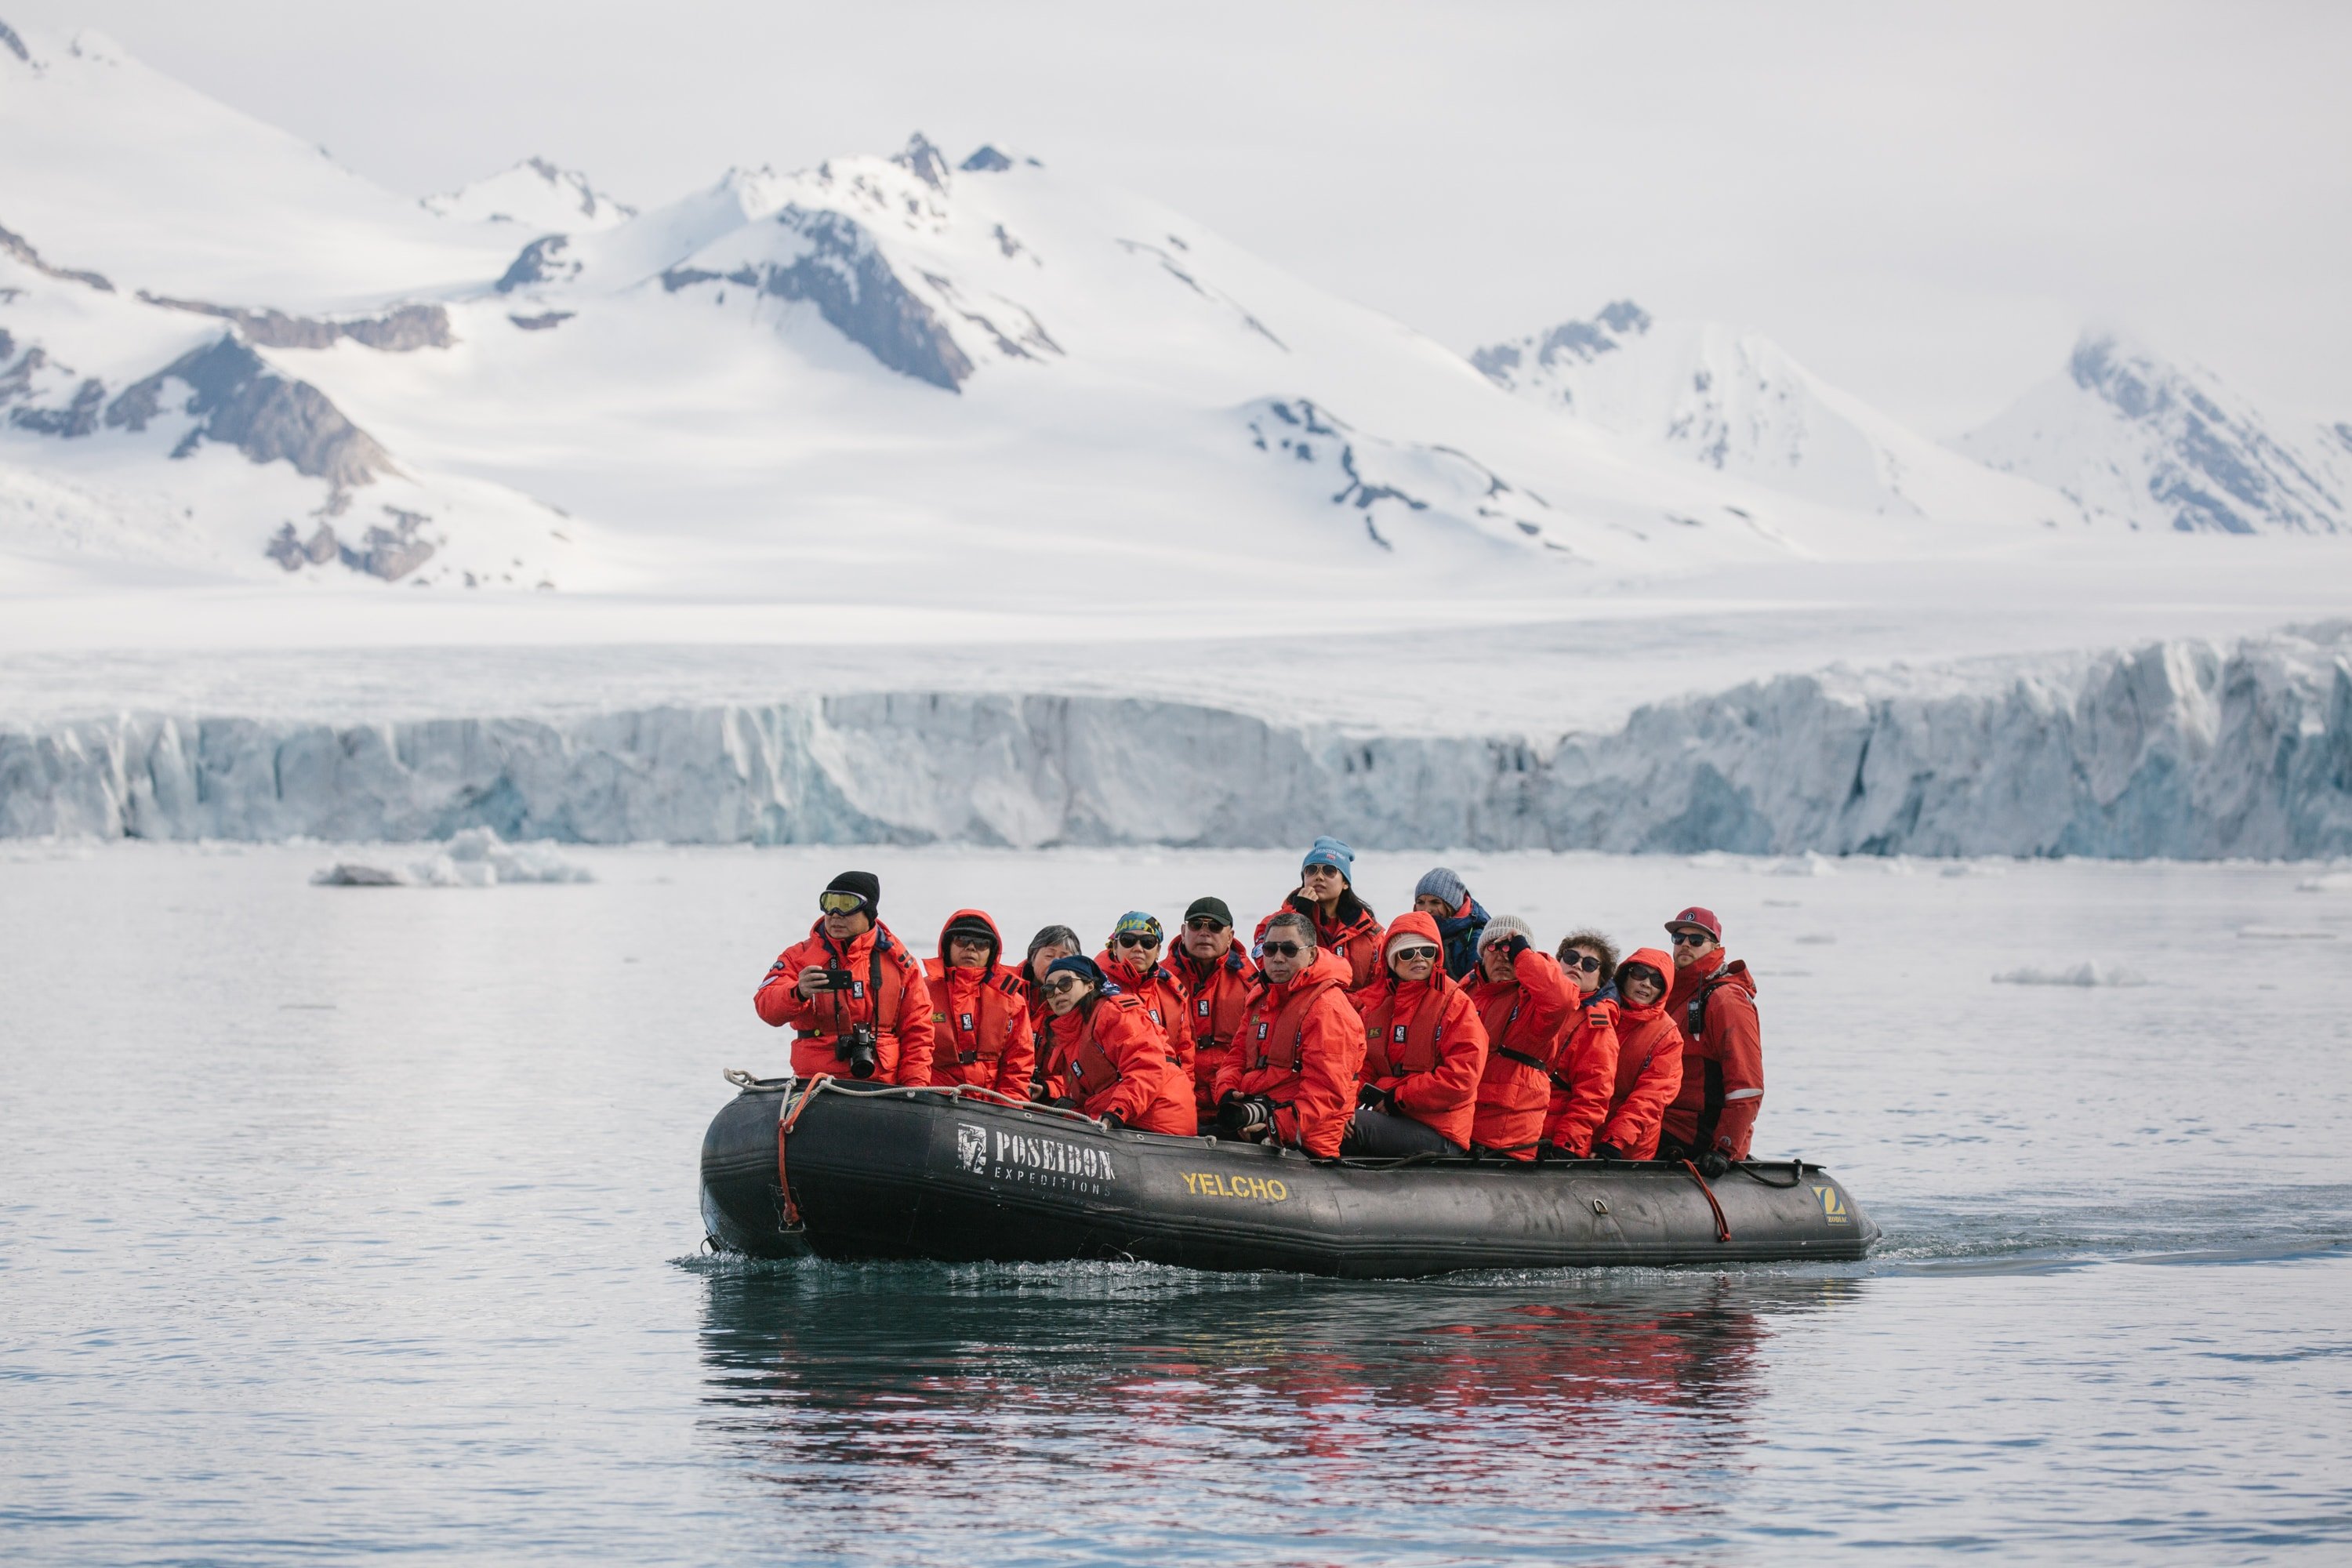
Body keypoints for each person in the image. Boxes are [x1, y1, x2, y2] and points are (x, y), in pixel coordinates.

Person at [753, 870, 935, 1086]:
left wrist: (914, 1091)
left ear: (868, 913)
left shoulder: (900, 964)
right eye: (829, 903)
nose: (835, 914)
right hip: (815, 1084)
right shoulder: (799, 957)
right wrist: (798, 992)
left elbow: (918, 1033)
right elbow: (766, 1007)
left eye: (847, 904)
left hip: (883, 1087)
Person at [1214, 910, 1364, 1158]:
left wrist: (1275, 1127)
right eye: (1270, 950)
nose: (1278, 958)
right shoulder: (1260, 997)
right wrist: (1228, 1093)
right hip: (1256, 1118)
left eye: (1289, 950)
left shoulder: (1328, 1009)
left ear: (1312, 953)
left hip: (1306, 1140)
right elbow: (1236, 1057)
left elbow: (1326, 1092)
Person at [1348, 910, 1486, 1155]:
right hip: (1397, 1119)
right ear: (1392, 960)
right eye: (1408, 953)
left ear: (1436, 956)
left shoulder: (1456, 1004)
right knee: (1334, 1120)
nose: (1418, 958)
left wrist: (1398, 1098)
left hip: (1441, 1130)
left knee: (1352, 1127)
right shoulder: (1377, 1006)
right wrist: (1345, 1105)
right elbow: (1363, 1066)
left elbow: (1461, 1078)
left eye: (1427, 951)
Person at [1034, 956, 1194, 1134]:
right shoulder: (1068, 1036)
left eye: (1065, 983)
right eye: (1048, 988)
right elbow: (1086, 1102)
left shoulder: (1114, 1013)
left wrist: (1118, 1110)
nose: (1056, 992)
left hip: (1155, 1119)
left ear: (1090, 986)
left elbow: (1146, 1067)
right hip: (1119, 1118)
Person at [1659, 906, 1762, 1177]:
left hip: (1698, 1136)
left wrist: (1723, 1148)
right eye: (1678, 939)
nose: (1685, 945)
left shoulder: (1726, 999)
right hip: (1667, 1122)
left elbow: (1746, 1087)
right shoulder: (1671, 993)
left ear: (1716, 946)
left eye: (1696, 940)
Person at [1465, 916, 1578, 1159]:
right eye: (1493, 947)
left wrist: (1524, 954)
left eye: (1510, 949)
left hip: (1507, 1137)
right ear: (1482, 953)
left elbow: (1562, 1000)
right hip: (1463, 1123)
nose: (1503, 955)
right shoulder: (1467, 989)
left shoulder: (1533, 1003)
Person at [920, 909, 1035, 1098]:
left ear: (992, 952)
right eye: (962, 940)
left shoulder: (1013, 1001)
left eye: (981, 943)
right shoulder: (922, 992)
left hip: (991, 1105)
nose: (971, 948)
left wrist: (1006, 1111)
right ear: (947, 945)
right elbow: (912, 1051)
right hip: (934, 1100)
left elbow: (1018, 1065)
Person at [1587, 947, 1682, 1161]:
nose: (1647, 984)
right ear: (1625, 975)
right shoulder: (1599, 1011)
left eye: (1657, 980)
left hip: (1628, 1149)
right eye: (1640, 973)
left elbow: (1650, 1099)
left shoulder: (1669, 1036)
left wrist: (1615, 1140)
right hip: (1581, 1134)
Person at [1169, 896, 1258, 1126]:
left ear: (1230, 936)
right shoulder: (1160, 981)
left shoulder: (1253, 984)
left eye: (1215, 927)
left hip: (1232, 1096)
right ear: (1183, 930)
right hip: (1176, 1096)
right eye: (1196, 925)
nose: (1204, 933)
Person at [1254, 836, 1384, 991]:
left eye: (1329, 871)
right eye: (1311, 870)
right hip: (1298, 1008)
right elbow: (1266, 964)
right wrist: (1298, 915)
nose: (1319, 877)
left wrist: (1352, 1008)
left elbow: (1379, 984)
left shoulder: (1369, 932)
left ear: (1345, 883)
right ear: (1304, 879)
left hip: (1355, 1011)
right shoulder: (1272, 925)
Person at [1542, 930, 1621, 1159]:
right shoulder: (1534, 1000)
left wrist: (1567, 1144)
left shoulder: (1597, 1027)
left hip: (1551, 1140)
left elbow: (1593, 1096)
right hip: (1517, 1129)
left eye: (1589, 964)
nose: (1577, 965)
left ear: (1600, 979)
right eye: (1571, 958)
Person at [1096, 911, 1193, 1079]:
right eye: (1128, 941)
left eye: (1148, 942)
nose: (1138, 948)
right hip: (1114, 1089)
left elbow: (1185, 1054)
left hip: (1170, 1088)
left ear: (1158, 951)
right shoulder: (1093, 987)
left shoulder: (1173, 992)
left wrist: (1184, 1090)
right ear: (1114, 946)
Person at [1412, 867, 1491, 982]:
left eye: (1435, 902)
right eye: (1420, 902)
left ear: (1452, 905)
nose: (1426, 909)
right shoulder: (1413, 935)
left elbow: (1475, 988)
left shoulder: (1476, 939)